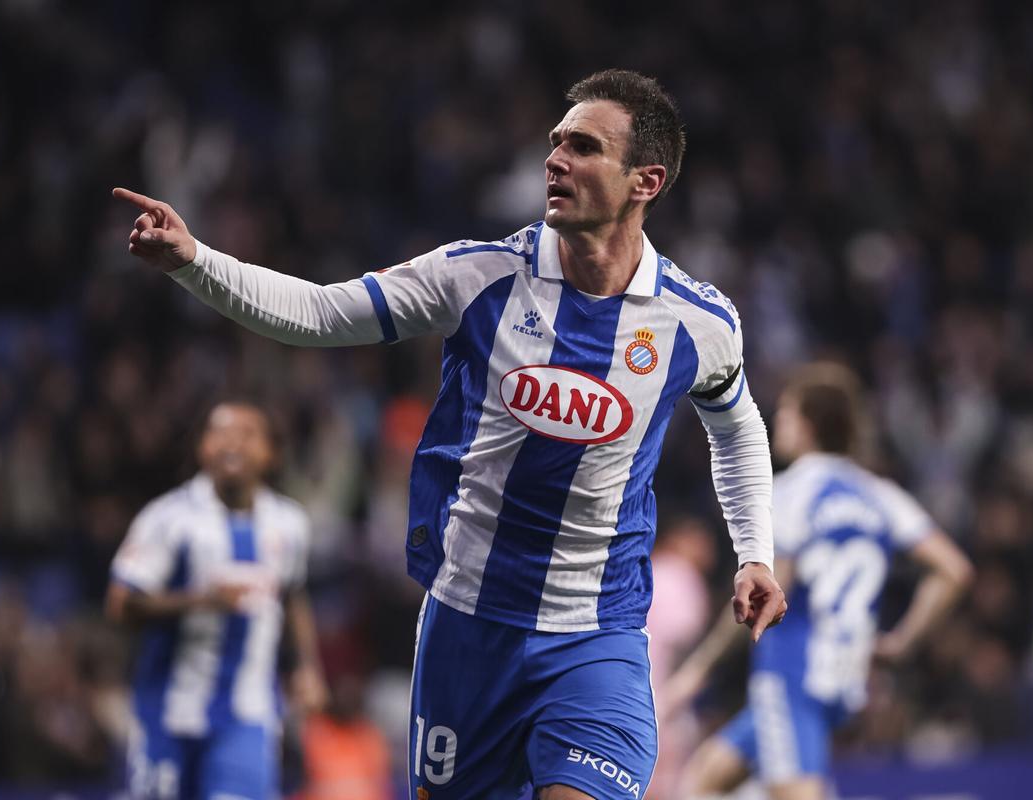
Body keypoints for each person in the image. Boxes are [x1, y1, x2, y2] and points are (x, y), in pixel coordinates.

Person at [113, 68, 787, 800]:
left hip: (599, 634)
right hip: (468, 624)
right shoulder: (478, 275)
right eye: (556, 142)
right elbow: (319, 313)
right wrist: (195, 262)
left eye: (584, 147)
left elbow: (737, 426)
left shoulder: (699, 322)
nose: (554, 160)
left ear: (644, 181)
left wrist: (755, 552)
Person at [661, 362, 974, 800]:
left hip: (792, 676)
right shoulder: (880, 495)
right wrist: (903, 641)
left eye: (786, 413)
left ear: (808, 425)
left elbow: (767, 592)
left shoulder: (790, 492)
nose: (778, 424)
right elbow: (954, 570)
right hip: (844, 679)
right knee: (704, 782)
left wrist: (698, 670)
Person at [106, 401, 328, 800]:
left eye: (246, 434)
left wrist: (307, 668)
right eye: (220, 433)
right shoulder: (168, 519)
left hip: (248, 717)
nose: (232, 444)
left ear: (271, 453)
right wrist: (200, 601)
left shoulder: (290, 524)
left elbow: (293, 594)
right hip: (167, 715)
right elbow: (121, 604)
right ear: (202, 448)